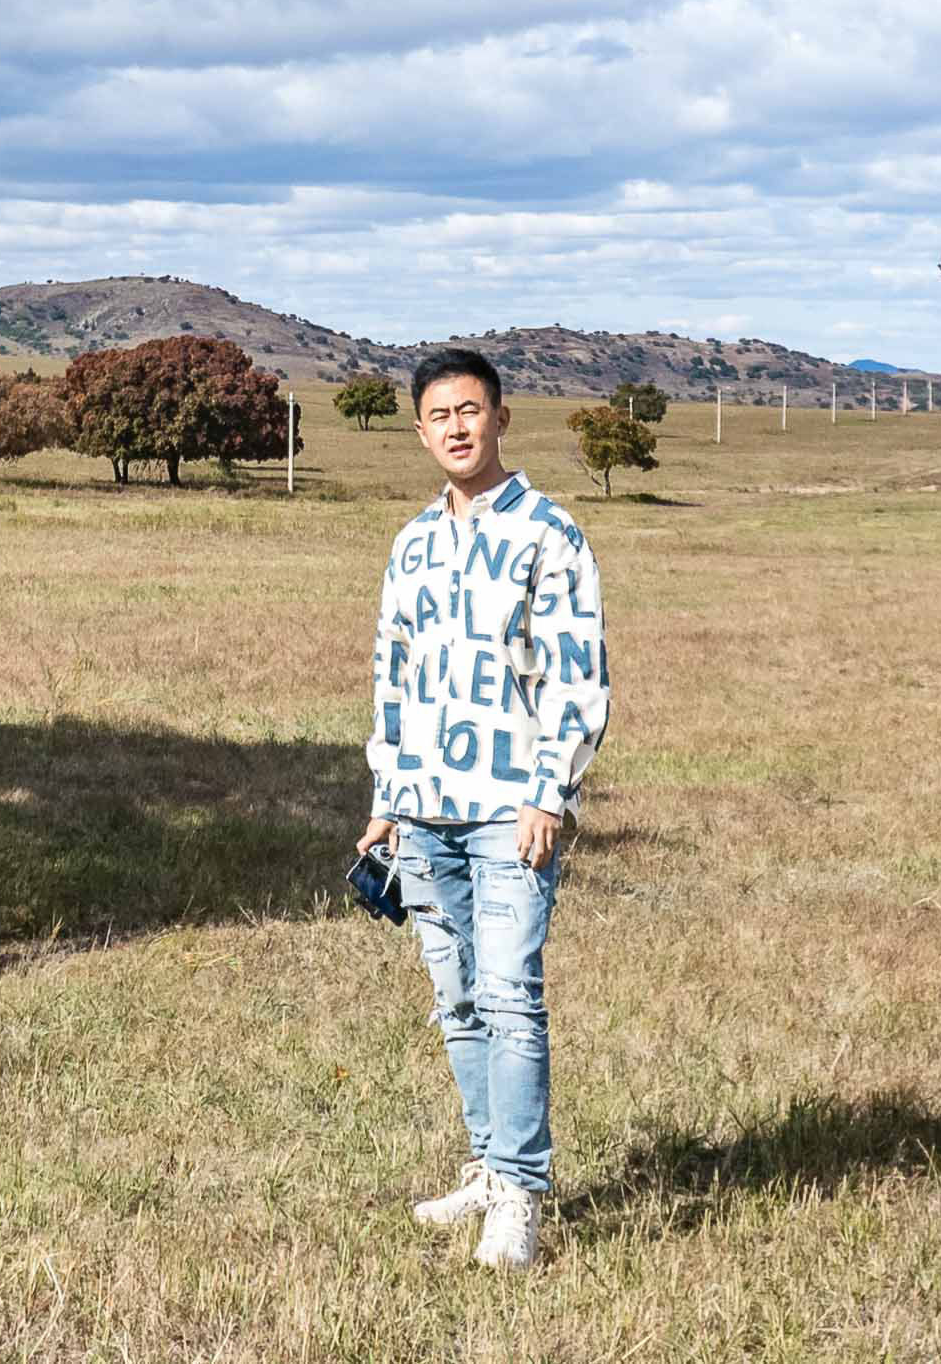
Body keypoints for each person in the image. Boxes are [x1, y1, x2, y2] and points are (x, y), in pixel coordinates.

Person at [354, 346, 609, 1270]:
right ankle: (487, 1167)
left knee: (511, 998)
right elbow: (395, 673)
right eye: (439, 416)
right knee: (458, 1001)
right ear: (419, 431)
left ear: (502, 417)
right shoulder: (411, 541)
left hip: (511, 811)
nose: (457, 428)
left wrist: (552, 792)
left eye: (472, 410)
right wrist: (388, 794)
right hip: (422, 809)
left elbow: (576, 675)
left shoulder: (550, 532)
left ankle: (523, 1195)